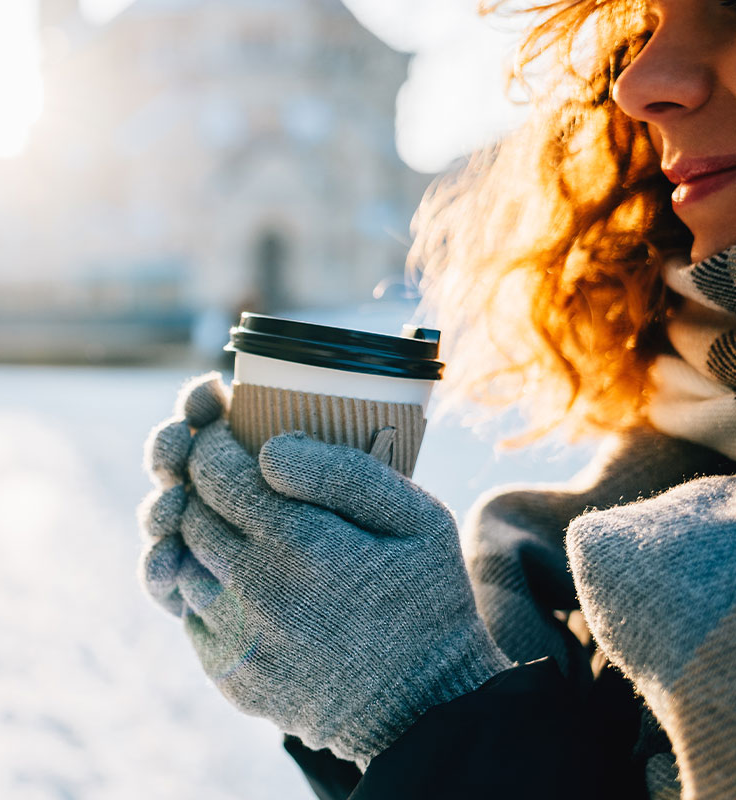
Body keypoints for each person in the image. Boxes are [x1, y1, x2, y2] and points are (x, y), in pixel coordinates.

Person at [136, 1, 736, 798]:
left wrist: (423, 709)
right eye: (650, 21)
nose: (638, 82)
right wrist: (343, 688)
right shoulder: (654, 447)